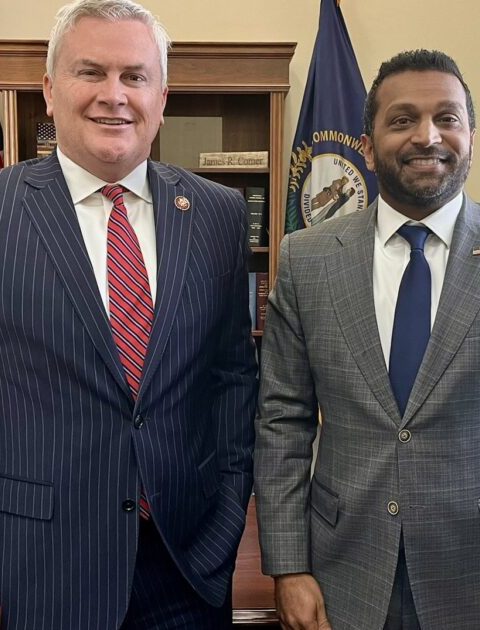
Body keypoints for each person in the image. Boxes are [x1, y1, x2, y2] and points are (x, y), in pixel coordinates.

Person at [0, 1, 257, 628]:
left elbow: (232, 379)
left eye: (134, 76)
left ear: (160, 99)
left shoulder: (219, 215)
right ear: (50, 90)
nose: (113, 95)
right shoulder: (5, 209)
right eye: (90, 72)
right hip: (41, 568)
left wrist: (225, 522)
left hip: (188, 567)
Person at [254, 49, 479, 630]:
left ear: (470, 137)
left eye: (447, 118)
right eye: (402, 119)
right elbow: (282, 419)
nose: (427, 136)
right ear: (369, 146)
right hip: (342, 572)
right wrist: (288, 566)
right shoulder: (306, 259)